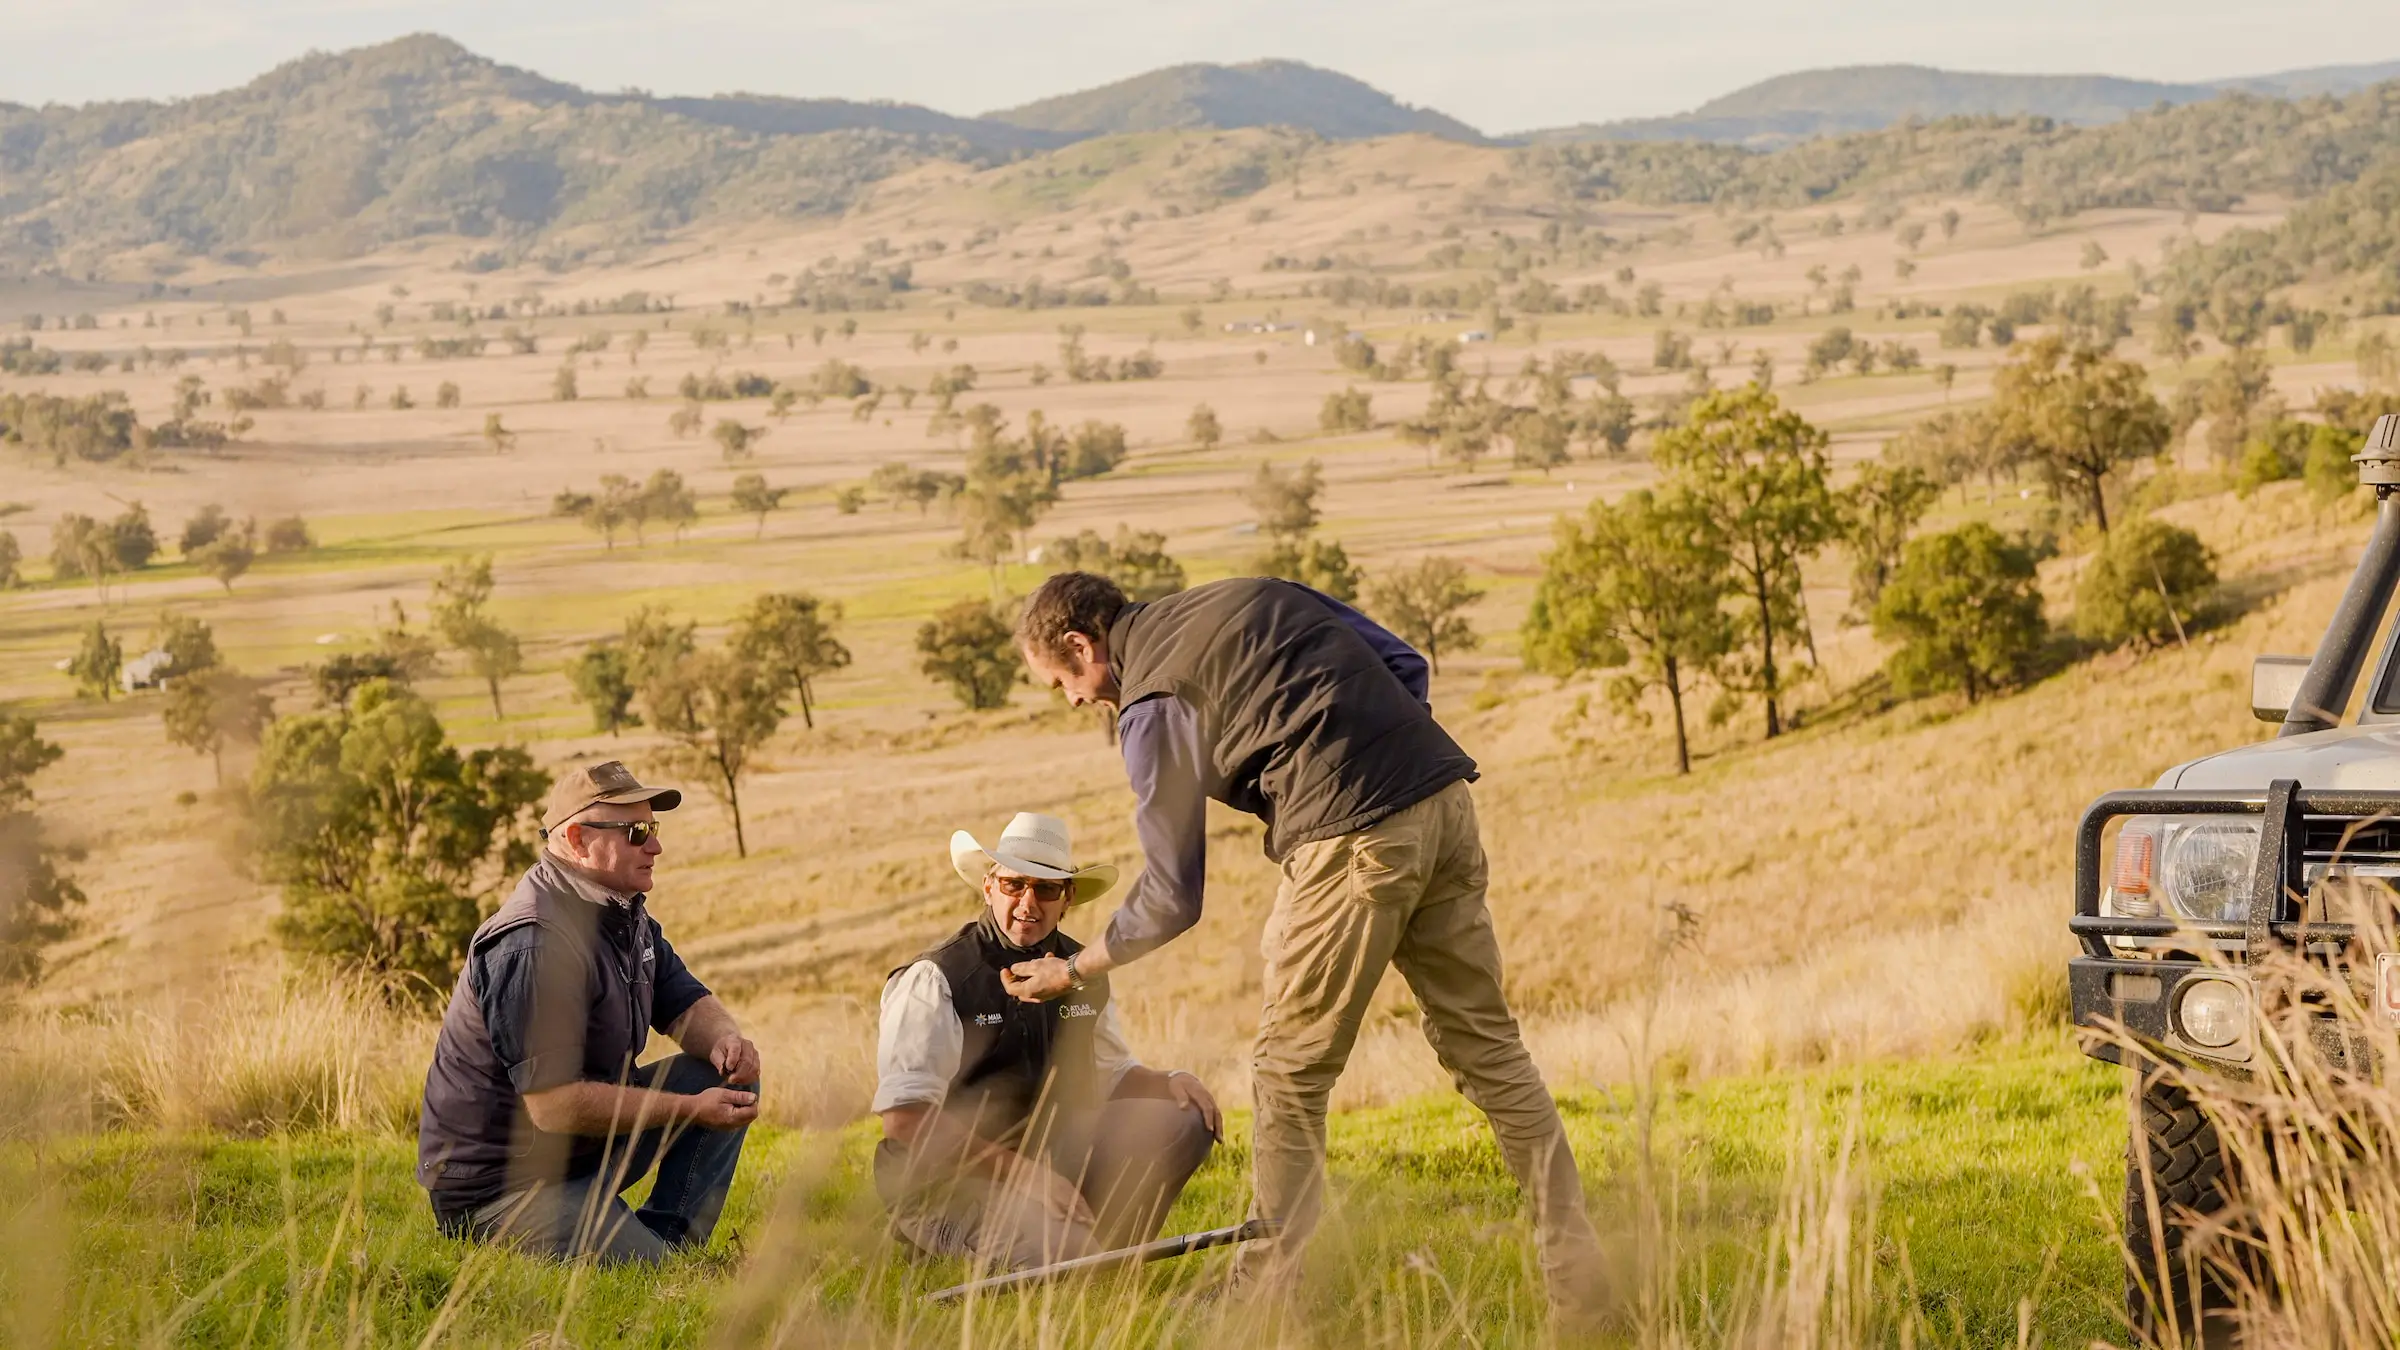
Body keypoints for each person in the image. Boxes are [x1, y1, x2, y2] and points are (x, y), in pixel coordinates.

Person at [1003, 573, 1607, 1308]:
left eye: (1063, 680)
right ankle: (1581, 1277)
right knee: (1490, 1046)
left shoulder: (1150, 704)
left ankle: (1267, 1299)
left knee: (1287, 1073)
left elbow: (1172, 895)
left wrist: (1074, 971)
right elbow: (1406, 666)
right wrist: (1379, 770)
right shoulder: (1256, 594)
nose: (1071, 698)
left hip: (1350, 839)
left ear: (1081, 643)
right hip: (1444, 803)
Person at [416, 760, 762, 1264]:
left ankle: (670, 1245)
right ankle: (648, 1256)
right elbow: (553, 1106)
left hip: (578, 1153)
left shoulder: (621, 911)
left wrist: (726, 1040)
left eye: (654, 828)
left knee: (730, 1079)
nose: (656, 846)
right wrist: (689, 1108)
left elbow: (685, 1004)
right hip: (502, 1189)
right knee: (651, 1276)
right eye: (637, 832)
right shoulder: (532, 944)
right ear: (577, 840)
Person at [874, 811, 1221, 1271]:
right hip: (947, 1183)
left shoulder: (1084, 971)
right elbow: (905, 1120)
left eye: (1046, 888)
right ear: (989, 887)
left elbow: (1112, 1074)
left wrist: (1171, 1080)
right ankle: (966, 1246)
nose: (1027, 903)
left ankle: (1104, 1257)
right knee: (1067, 1257)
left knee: (1184, 1119)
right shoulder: (936, 978)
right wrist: (1025, 1177)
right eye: (1014, 885)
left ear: (1068, 898)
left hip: (1047, 1166)